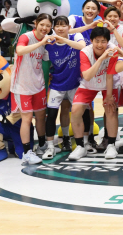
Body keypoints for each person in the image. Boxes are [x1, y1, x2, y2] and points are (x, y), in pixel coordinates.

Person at [67, 27, 123, 161]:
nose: (99, 44)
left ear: (108, 42)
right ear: (91, 41)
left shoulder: (113, 50)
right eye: (96, 41)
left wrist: (109, 96)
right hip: (89, 84)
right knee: (75, 111)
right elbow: (87, 76)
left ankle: (111, 145)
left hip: (108, 84)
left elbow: (109, 75)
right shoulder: (85, 52)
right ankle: (80, 146)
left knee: (110, 110)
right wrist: (101, 58)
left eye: (103, 41)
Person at [10, 14, 53, 165]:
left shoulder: (47, 39)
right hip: (22, 86)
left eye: (48, 26)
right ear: (36, 23)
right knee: (27, 119)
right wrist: (41, 43)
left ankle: (42, 145)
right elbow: (20, 50)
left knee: (41, 116)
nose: (44, 28)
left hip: (38, 84)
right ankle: (27, 152)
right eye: (42, 24)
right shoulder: (26, 37)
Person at [41, 16, 85, 159]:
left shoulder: (75, 36)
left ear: (69, 27)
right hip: (57, 84)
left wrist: (63, 40)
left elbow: (83, 47)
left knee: (79, 113)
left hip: (75, 83)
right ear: (53, 28)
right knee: (52, 115)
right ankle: (50, 146)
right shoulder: (49, 44)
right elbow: (47, 64)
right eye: (57, 26)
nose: (60, 28)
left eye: (63, 25)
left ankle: (81, 142)